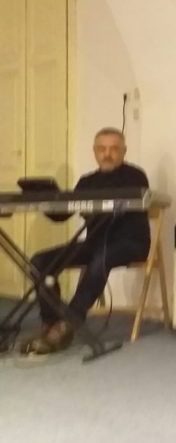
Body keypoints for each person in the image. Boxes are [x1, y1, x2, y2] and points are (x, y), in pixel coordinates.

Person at [20, 128, 151, 355]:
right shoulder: (87, 181)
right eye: (102, 149)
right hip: (94, 244)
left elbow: (127, 205)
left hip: (130, 243)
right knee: (39, 261)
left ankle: (68, 322)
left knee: (101, 258)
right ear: (94, 152)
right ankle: (50, 321)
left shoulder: (135, 176)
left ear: (124, 151)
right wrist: (45, 199)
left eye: (114, 149)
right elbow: (63, 215)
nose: (107, 154)